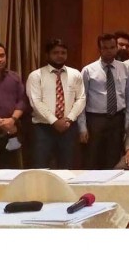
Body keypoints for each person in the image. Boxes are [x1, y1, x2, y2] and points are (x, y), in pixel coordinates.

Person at [26, 39, 86, 169]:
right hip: (43, 128)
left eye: (63, 52)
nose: (60, 55)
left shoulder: (75, 74)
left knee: (67, 167)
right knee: (40, 167)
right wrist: (54, 121)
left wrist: (69, 119)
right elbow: (35, 102)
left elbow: (81, 98)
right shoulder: (36, 76)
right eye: (55, 52)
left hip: (68, 127)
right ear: (47, 54)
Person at [79, 33, 129, 169]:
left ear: (116, 47)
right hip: (95, 119)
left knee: (113, 157)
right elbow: (81, 99)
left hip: (117, 118)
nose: (109, 50)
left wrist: (127, 122)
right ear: (99, 49)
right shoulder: (88, 70)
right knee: (93, 157)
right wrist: (82, 127)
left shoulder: (125, 68)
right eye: (105, 48)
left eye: (112, 47)